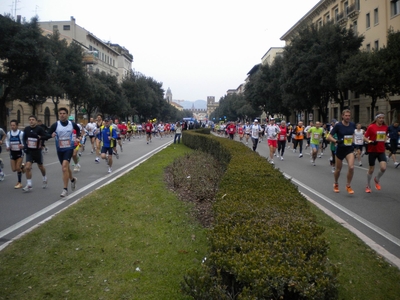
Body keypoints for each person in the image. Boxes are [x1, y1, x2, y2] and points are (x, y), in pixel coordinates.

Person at [47, 108, 80, 197]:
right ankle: (72, 180)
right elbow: (47, 134)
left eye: (64, 113)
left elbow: (78, 130)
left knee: (64, 168)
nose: (62, 115)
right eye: (60, 113)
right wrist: (51, 135)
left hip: (69, 148)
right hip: (60, 149)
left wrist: (78, 137)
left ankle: (65, 189)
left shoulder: (71, 124)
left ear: (67, 114)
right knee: (66, 168)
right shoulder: (55, 125)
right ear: (58, 115)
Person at [326, 109, 356, 194]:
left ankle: (348, 185)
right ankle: (335, 183)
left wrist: (354, 143)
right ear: (342, 116)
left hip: (349, 149)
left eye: (349, 116)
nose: (347, 117)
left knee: (351, 167)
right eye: (346, 115)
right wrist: (336, 141)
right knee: (338, 170)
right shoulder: (338, 125)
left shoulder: (352, 125)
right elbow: (329, 137)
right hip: (340, 149)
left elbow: (353, 134)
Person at [21, 115, 49, 192]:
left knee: (40, 166)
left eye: (33, 119)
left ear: (36, 121)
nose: (31, 121)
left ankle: (44, 177)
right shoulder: (26, 129)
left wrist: (39, 137)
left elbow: (45, 137)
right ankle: (29, 184)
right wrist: (25, 146)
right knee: (27, 167)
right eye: (30, 120)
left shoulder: (39, 129)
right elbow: (24, 138)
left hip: (37, 151)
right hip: (29, 151)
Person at [364, 112, 389, 193]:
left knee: (383, 168)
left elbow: (385, 136)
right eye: (380, 118)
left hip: (381, 150)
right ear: (376, 118)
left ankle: (377, 179)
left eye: (382, 118)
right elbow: (364, 137)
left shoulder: (385, 127)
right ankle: (368, 185)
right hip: (372, 150)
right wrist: (370, 141)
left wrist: (386, 140)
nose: (381, 119)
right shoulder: (371, 127)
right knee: (371, 170)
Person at [5, 120, 25, 188]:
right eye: (11, 125)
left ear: (17, 126)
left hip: (19, 152)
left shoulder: (21, 133)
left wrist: (22, 146)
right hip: (12, 152)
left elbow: (24, 142)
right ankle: (22, 167)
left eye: (14, 125)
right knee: (14, 169)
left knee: (17, 168)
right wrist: (7, 146)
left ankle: (19, 183)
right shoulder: (9, 133)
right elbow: (7, 140)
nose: (12, 127)